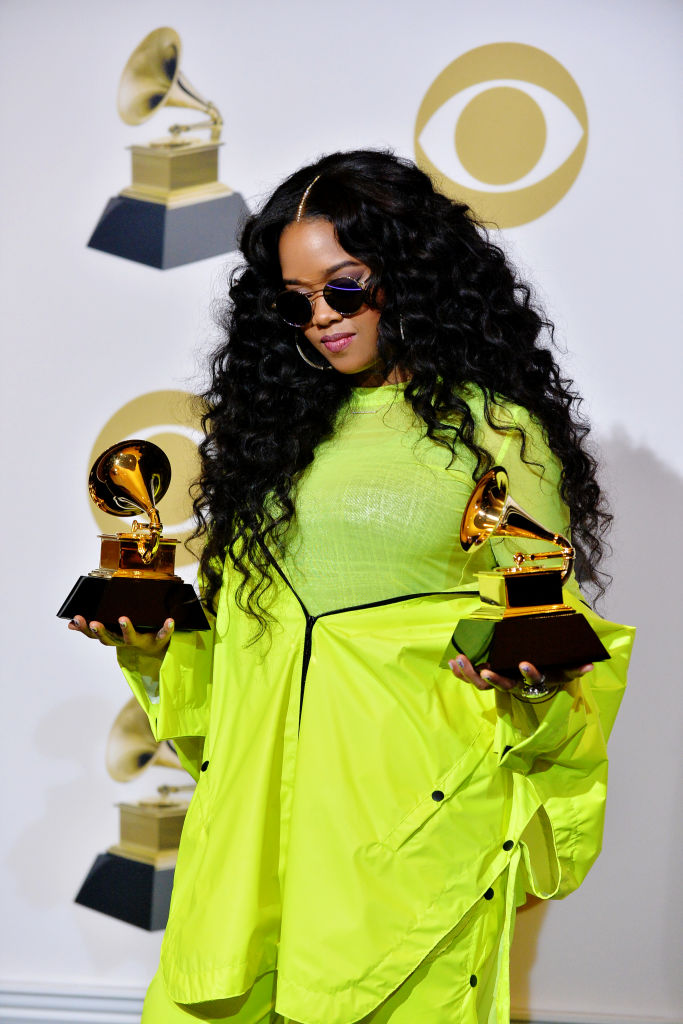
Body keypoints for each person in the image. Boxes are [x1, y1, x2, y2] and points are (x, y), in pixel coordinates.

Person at [69, 150, 634, 1024]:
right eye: (294, 303)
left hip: (406, 838)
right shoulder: (271, 443)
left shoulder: (498, 434)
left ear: (412, 274)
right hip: (253, 833)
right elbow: (237, 674)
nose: (320, 319)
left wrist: (528, 675)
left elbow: (545, 640)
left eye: (344, 289)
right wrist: (150, 643)